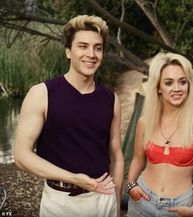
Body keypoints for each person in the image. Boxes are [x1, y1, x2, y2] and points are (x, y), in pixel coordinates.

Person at [14, 15, 124, 217]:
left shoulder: (111, 99)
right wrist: (74, 178)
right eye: (83, 46)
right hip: (61, 203)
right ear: (68, 51)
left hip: (104, 200)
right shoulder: (42, 94)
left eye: (97, 48)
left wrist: (116, 202)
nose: (91, 54)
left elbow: (116, 154)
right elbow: (21, 155)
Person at [126, 52, 193, 217]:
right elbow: (137, 159)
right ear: (159, 88)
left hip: (180, 207)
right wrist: (131, 186)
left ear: (189, 85)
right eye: (169, 83)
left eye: (183, 82)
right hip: (142, 201)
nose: (177, 88)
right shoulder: (145, 122)